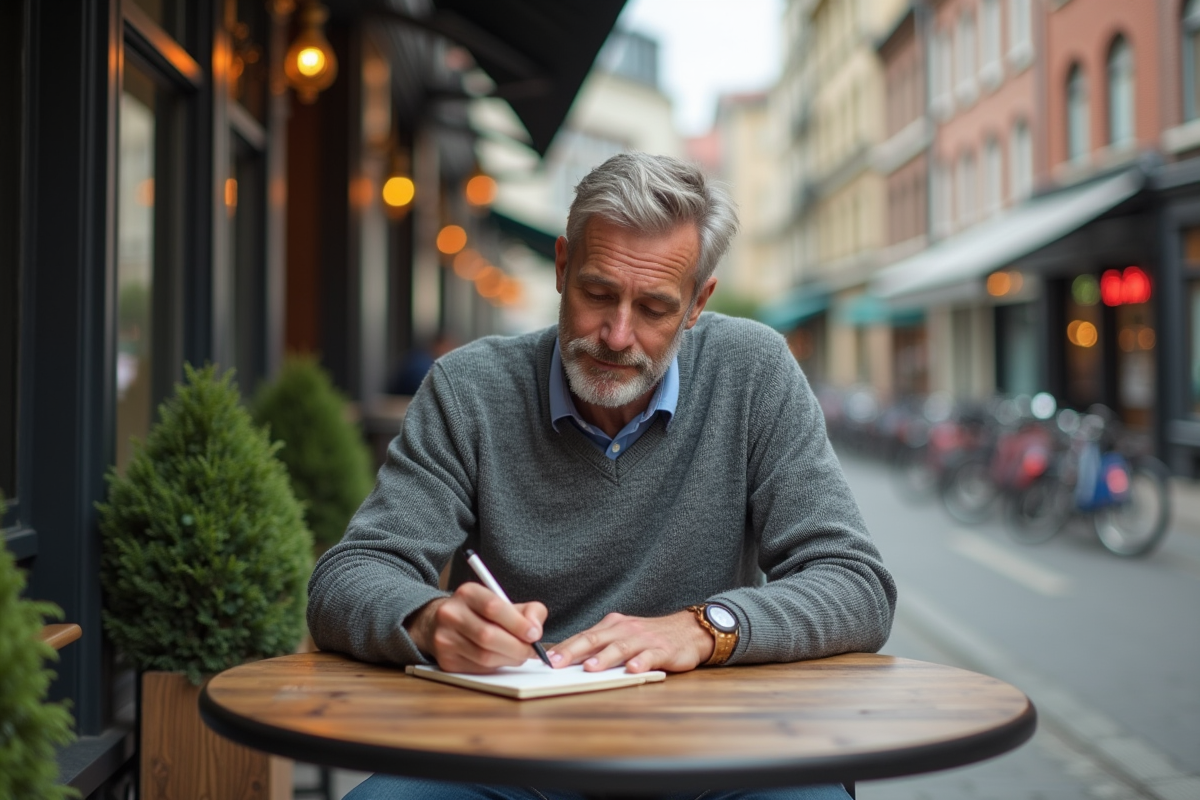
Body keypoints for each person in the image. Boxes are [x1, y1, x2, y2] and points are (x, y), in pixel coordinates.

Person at [308, 153, 897, 800]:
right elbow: (346, 577)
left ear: (698, 302)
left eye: (654, 308)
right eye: (597, 294)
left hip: (718, 754)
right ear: (562, 268)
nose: (618, 335)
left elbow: (856, 584)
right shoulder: (469, 389)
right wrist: (429, 620)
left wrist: (706, 628)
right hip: (512, 759)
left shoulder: (752, 372)